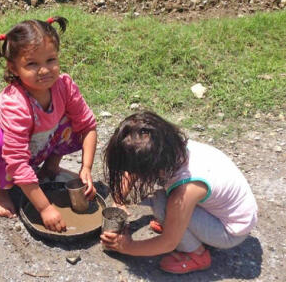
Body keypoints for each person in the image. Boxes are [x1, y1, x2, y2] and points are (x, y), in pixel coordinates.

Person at [0, 17, 97, 233]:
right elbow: (17, 161)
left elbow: (87, 126)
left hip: (37, 145)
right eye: (32, 64)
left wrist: (86, 168)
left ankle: (49, 167)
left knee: (72, 123)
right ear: (14, 67)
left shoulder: (64, 86)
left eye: (50, 60)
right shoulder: (15, 103)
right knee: (3, 146)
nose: (44, 70)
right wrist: (46, 208)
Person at [100, 111, 257, 274]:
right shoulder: (169, 147)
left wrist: (127, 246)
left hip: (229, 232)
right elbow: (133, 168)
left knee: (162, 204)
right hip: (229, 213)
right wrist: (118, 200)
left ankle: (197, 255)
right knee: (165, 203)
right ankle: (182, 228)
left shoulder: (186, 189)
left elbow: (168, 243)